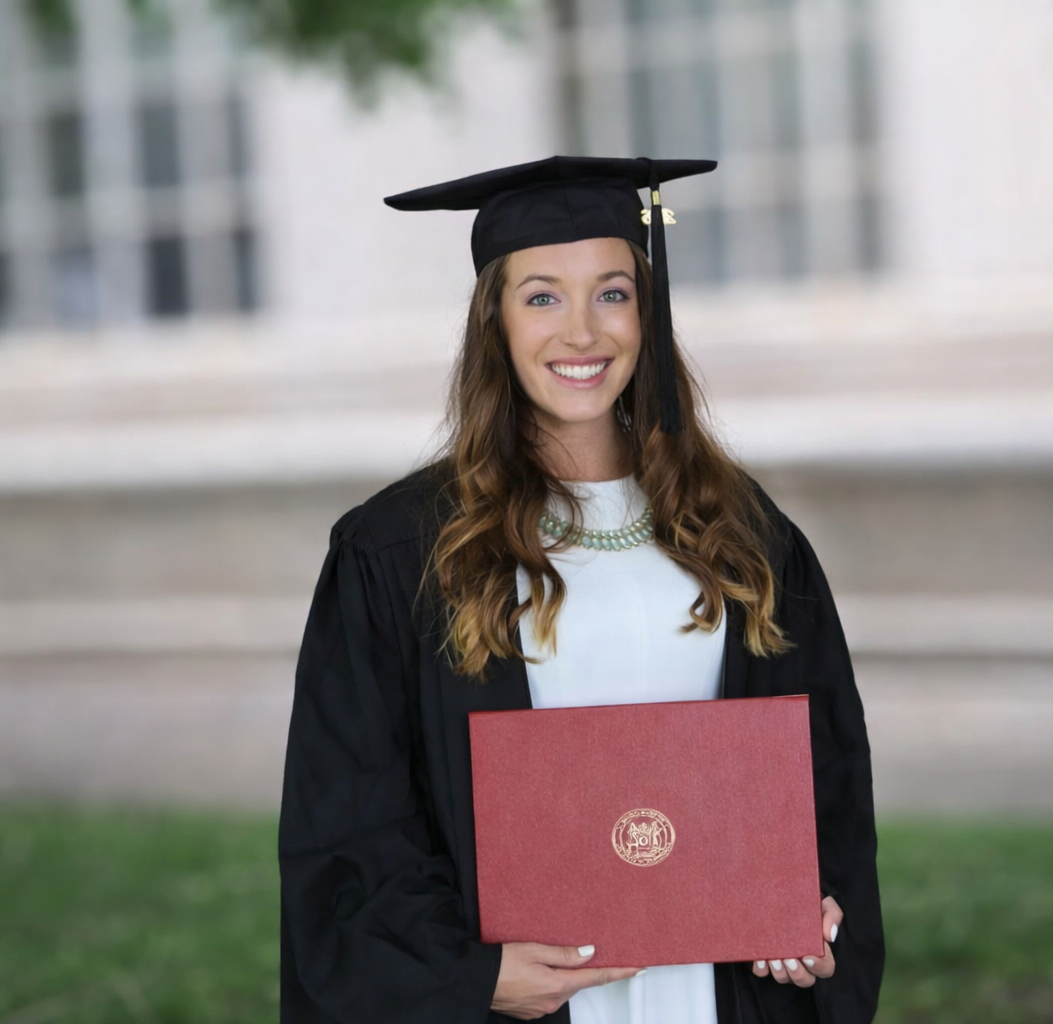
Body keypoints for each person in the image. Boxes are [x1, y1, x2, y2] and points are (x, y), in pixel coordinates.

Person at [277, 156, 884, 1024]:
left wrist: (812, 908)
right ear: (495, 322)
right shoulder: (401, 550)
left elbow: (825, 775)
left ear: (648, 309)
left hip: (713, 994)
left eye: (611, 293)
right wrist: (467, 975)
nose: (583, 333)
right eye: (541, 297)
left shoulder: (744, 533)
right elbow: (350, 818)